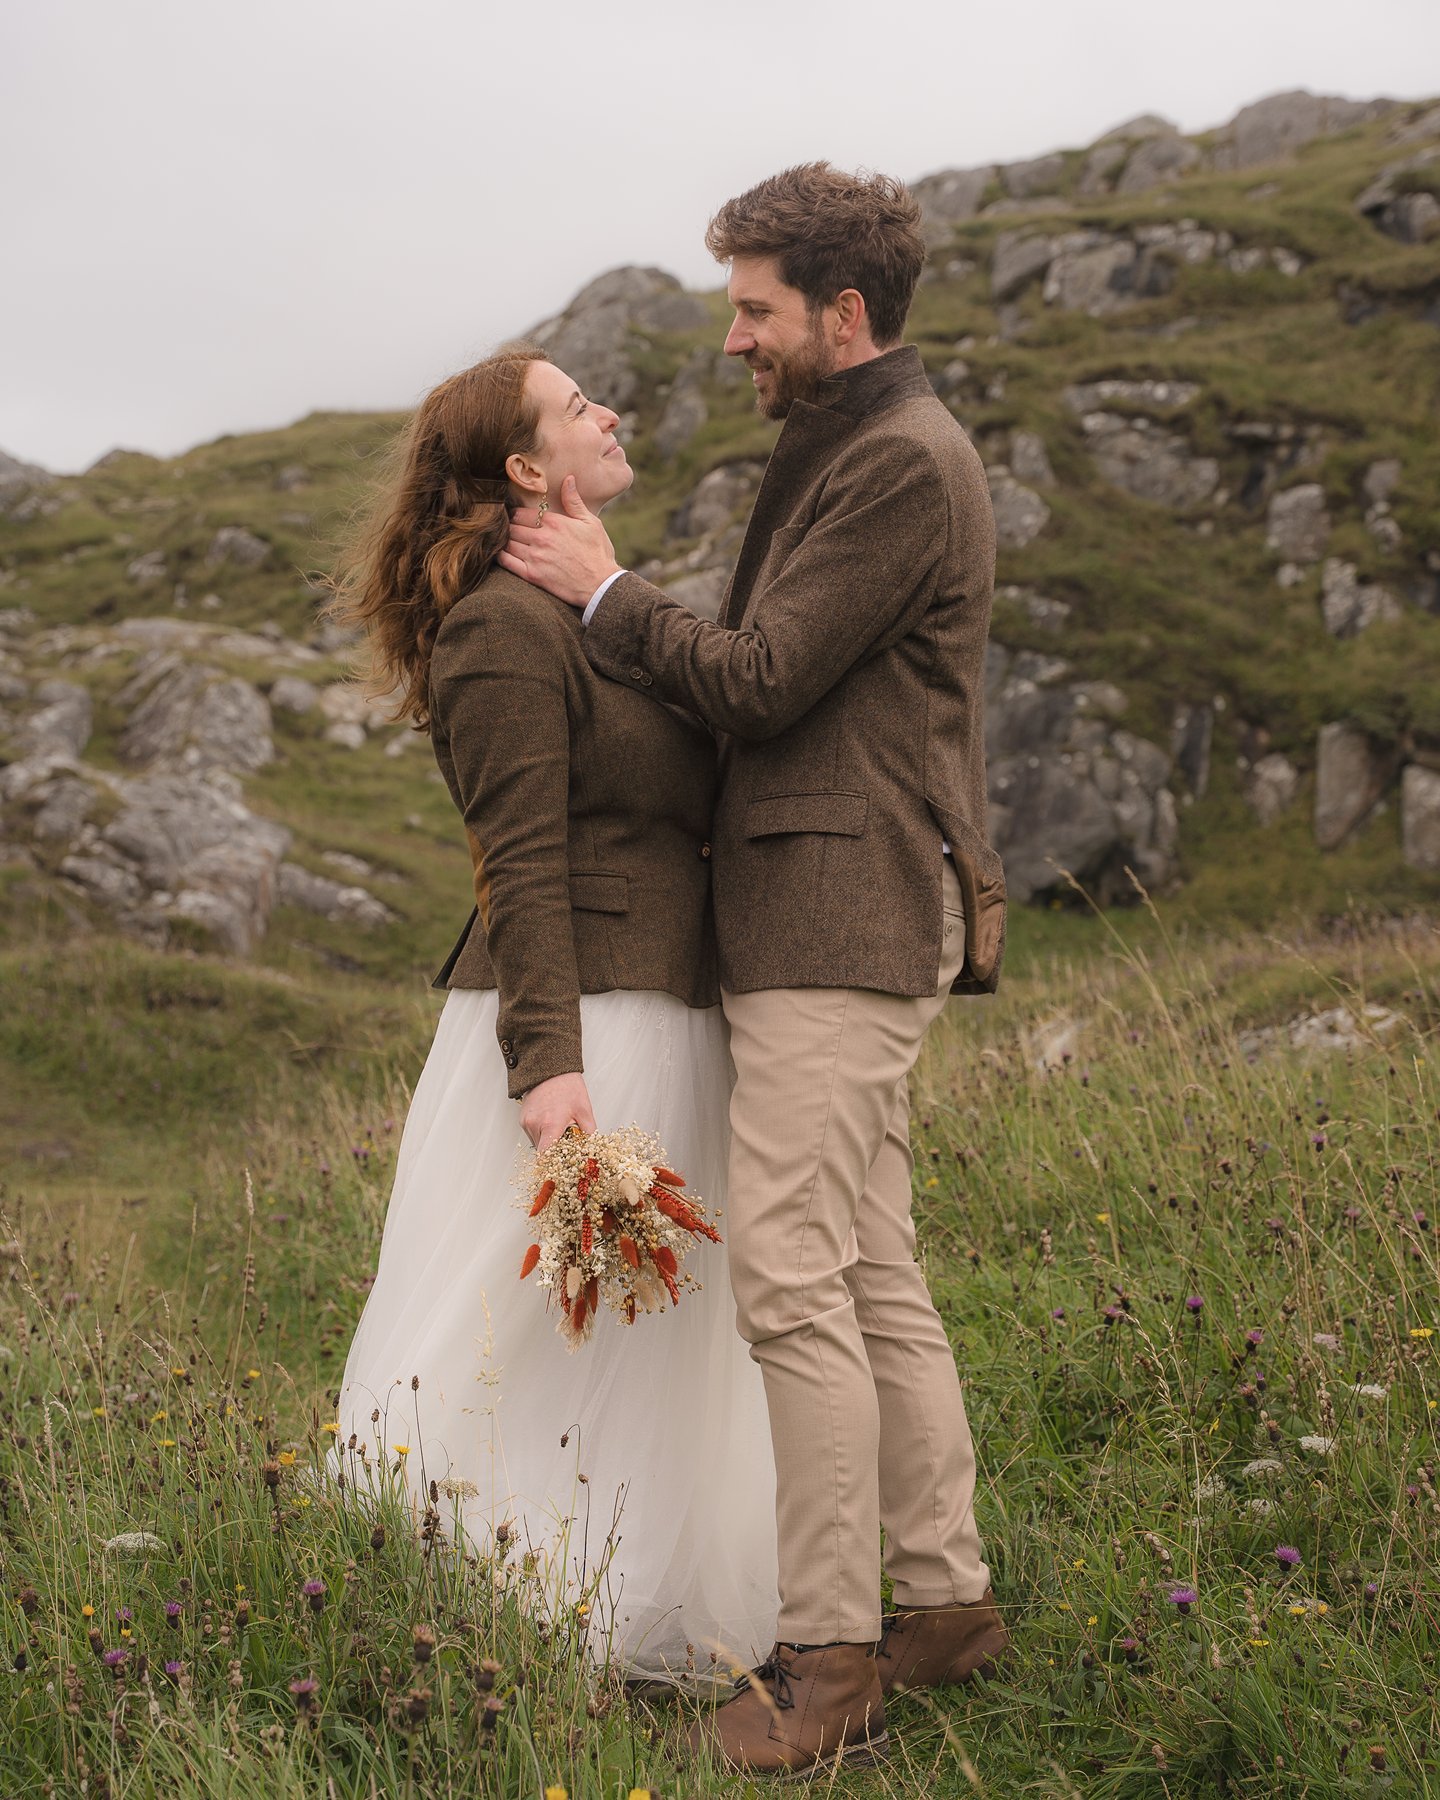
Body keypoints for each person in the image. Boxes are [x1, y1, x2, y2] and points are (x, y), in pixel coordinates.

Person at [500, 162, 1010, 1776]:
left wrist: (604, 595)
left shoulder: (902, 464)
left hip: (834, 925)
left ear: (841, 314)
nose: (734, 340)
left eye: (754, 310)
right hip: (829, 919)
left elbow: (767, 678)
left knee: (793, 1284)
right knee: (869, 1270)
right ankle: (944, 1605)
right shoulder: (854, 443)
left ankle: (829, 1660)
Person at [325, 344, 778, 1687]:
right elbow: (516, 862)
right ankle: (499, 1609)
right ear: (525, 468)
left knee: (647, 1335)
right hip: (581, 1026)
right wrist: (550, 1072)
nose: (610, 411)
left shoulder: (582, 608)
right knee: (531, 1325)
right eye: (580, 407)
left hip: (662, 1011)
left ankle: (628, 1604)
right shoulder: (499, 631)